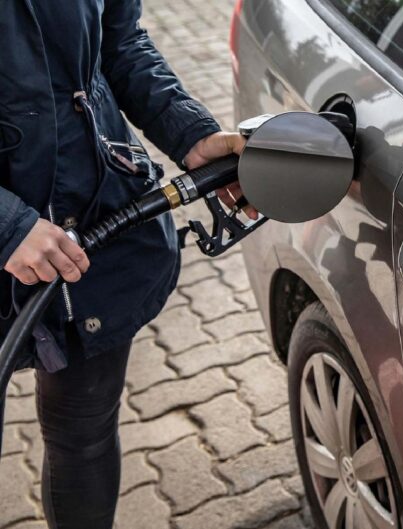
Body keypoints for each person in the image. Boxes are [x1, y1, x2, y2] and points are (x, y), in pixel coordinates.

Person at [0, 2, 255, 527]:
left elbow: (118, 43)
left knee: (84, 433)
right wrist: (6, 225)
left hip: (94, 226)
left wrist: (189, 132)